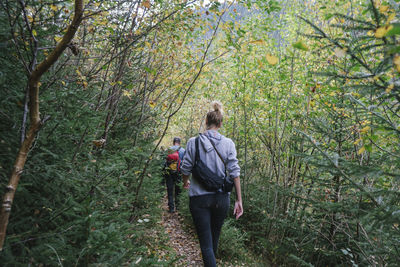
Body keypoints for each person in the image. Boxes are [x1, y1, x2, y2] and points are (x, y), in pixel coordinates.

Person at [181, 101, 243, 267]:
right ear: (220, 124)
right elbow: (235, 173)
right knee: (213, 240)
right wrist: (239, 200)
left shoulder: (193, 142)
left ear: (206, 123)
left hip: (199, 199)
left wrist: (185, 182)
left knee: (206, 245)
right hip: (222, 199)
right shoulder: (229, 143)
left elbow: (185, 168)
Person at [163, 137, 185, 213]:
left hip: (169, 173)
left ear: (173, 142)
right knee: (178, 190)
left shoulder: (168, 149)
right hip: (179, 172)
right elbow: (185, 163)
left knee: (170, 190)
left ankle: (171, 208)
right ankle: (178, 207)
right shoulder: (182, 150)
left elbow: (164, 162)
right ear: (179, 142)